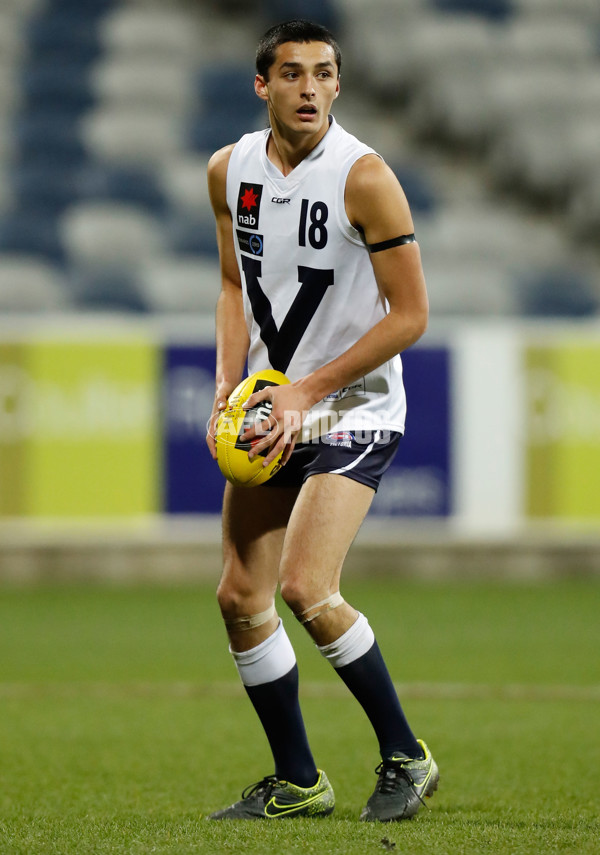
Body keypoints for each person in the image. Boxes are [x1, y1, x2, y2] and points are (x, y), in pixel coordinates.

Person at [205, 19, 438, 822]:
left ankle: (406, 755)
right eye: (293, 73)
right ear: (262, 85)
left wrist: (309, 392)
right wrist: (227, 388)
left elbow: (411, 315)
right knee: (240, 595)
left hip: (354, 404)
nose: (310, 88)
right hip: (278, 408)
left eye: (325, 73)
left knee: (306, 586)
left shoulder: (364, 177)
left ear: (340, 84)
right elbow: (235, 285)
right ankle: (299, 779)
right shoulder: (227, 170)